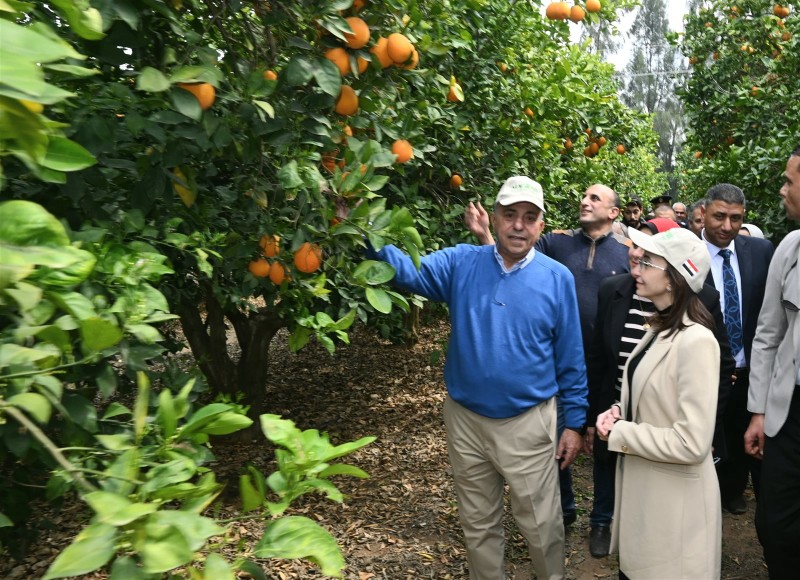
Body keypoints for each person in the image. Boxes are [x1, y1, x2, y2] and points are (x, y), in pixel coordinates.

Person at [377, 176, 587, 580]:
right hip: (467, 421)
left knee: (541, 526)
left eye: (530, 217)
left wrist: (574, 423)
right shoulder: (462, 262)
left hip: (527, 422)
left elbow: (571, 358)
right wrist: (365, 233)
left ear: (542, 224)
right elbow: (406, 272)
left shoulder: (556, 277)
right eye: (510, 215)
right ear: (495, 217)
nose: (519, 226)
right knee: (478, 525)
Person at [465, 184, 629, 537]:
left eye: (595, 199)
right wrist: (482, 235)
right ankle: (564, 510)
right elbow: (509, 259)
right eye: (583, 196)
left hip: (603, 367)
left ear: (614, 212)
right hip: (555, 362)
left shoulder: (624, 254)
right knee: (558, 443)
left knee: (603, 441)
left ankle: (601, 520)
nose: (584, 201)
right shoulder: (556, 243)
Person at [585, 217, 734, 560]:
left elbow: (691, 443)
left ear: (674, 279)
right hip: (648, 488)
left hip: (672, 502)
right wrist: (619, 410)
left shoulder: (695, 341)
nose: (637, 266)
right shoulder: (658, 327)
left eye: (649, 262)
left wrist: (622, 432)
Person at [744, 145, 800, 579]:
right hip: (789, 409)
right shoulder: (790, 248)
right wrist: (759, 411)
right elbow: (767, 335)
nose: (783, 189)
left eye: (789, 181)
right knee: (774, 523)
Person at [701, 184, 774, 514]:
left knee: (751, 433)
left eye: (735, 218)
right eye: (719, 217)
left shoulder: (760, 251)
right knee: (714, 436)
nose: (726, 226)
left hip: (753, 370)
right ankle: (714, 495)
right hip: (709, 372)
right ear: (703, 212)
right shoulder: (688, 254)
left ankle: (739, 492)